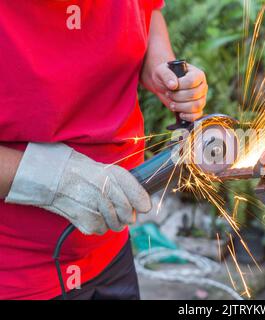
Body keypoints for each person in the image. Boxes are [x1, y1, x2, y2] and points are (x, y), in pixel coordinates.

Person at [0, 1, 208, 300]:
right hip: (17, 279)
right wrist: (52, 178)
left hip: (110, 254)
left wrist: (161, 69)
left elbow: (147, 12)